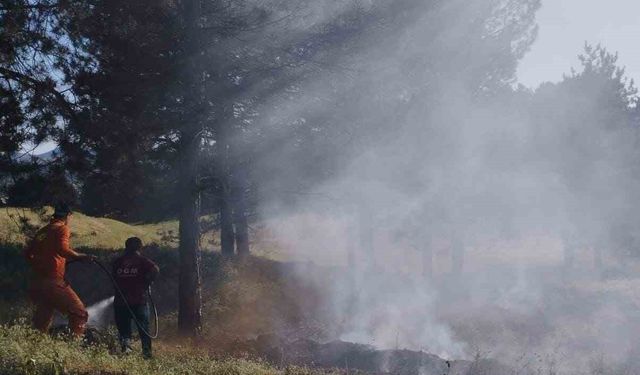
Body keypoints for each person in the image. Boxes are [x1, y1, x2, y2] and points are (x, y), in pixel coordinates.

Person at [23, 203, 94, 338]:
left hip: (38, 282)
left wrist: (40, 265)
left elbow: (28, 253)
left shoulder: (43, 231)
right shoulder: (62, 228)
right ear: (67, 215)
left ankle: (35, 347)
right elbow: (62, 249)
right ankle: (73, 346)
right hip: (53, 281)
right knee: (79, 312)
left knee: (42, 319)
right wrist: (81, 257)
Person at [111, 237, 159, 358]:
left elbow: (113, 279)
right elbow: (155, 270)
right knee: (144, 330)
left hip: (121, 302)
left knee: (124, 330)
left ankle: (126, 353)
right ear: (140, 247)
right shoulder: (142, 261)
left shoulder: (118, 262)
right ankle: (147, 355)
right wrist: (148, 281)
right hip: (139, 301)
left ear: (126, 247)